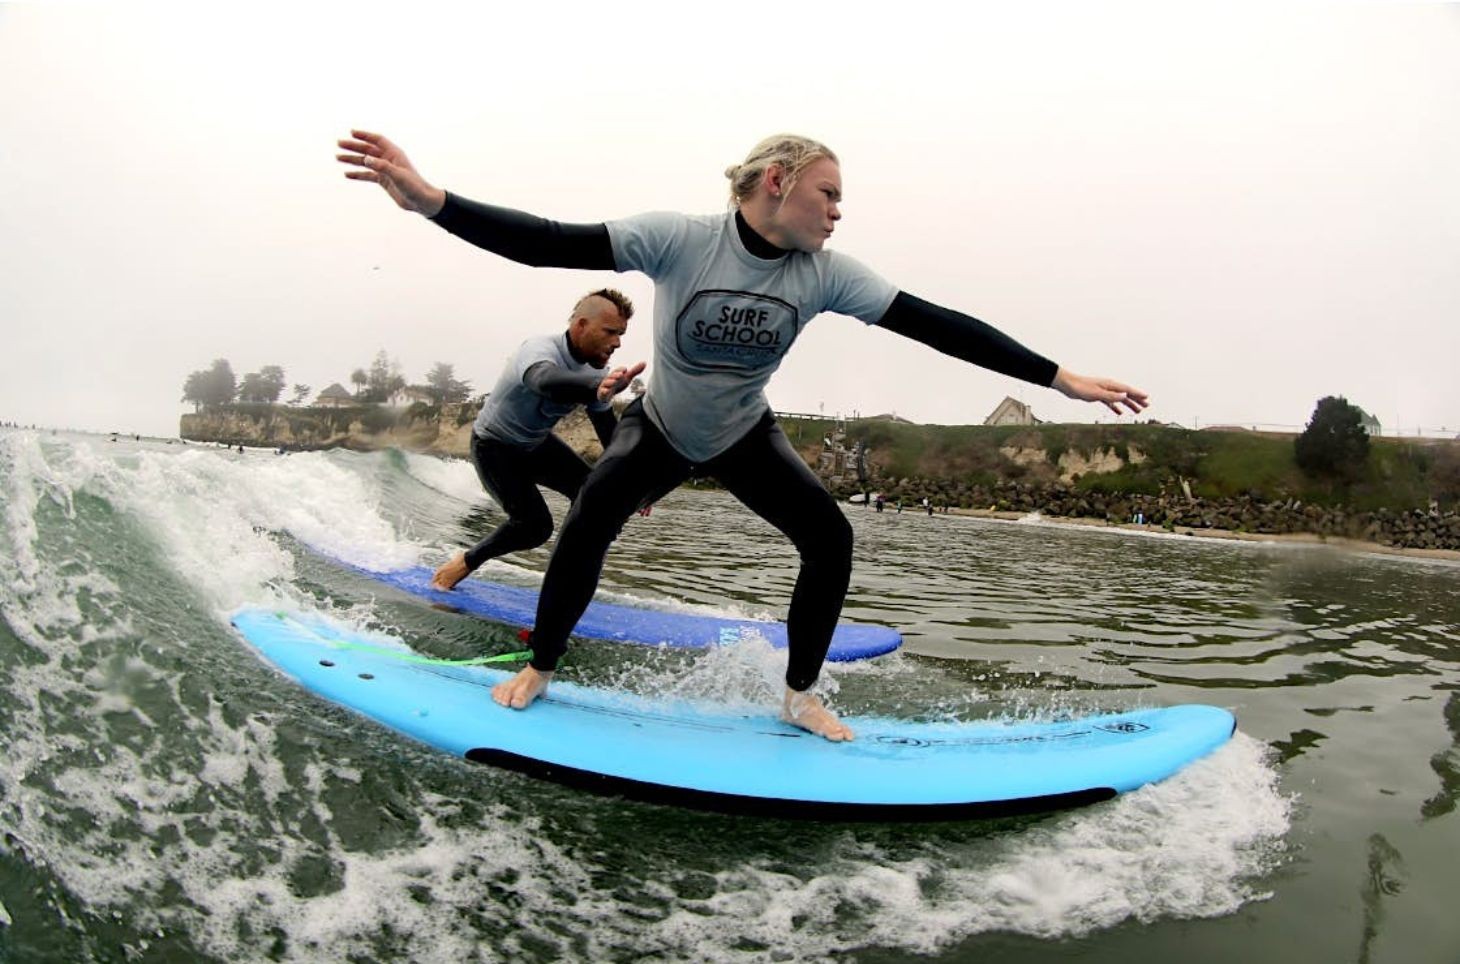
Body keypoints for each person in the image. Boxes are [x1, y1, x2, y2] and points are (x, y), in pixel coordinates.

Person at [338, 129, 1148, 742]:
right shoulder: (681, 238)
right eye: (827, 193)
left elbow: (935, 326)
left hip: (742, 434)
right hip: (658, 429)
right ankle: (541, 666)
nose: (838, 210)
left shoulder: (827, 273)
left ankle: (798, 693)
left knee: (829, 538)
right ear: (775, 182)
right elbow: (549, 241)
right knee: (586, 524)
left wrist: (1058, 377)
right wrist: (432, 202)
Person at [430, 290, 645, 591]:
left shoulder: (597, 373)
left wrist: (636, 486)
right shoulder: (539, 350)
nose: (617, 342)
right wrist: (597, 385)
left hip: (535, 444)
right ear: (581, 325)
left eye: (621, 334)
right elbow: (544, 381)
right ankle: (466, 561)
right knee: (534, 527)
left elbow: (610, 434)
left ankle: (566, 579)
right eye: (610, 332)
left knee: (597, 497)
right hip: (494, 446)